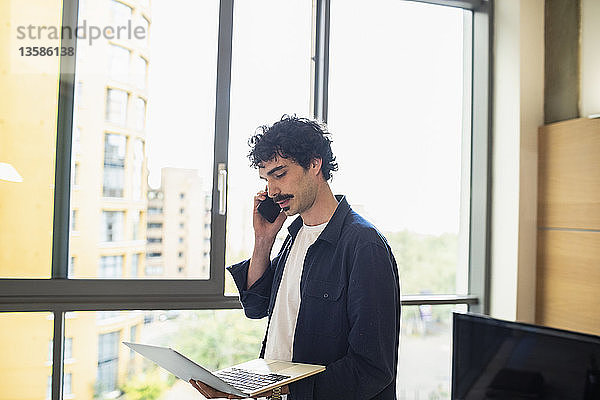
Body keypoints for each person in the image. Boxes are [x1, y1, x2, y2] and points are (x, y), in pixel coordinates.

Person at [190, 115, 401, 399]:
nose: (272, 190)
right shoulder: (296, 235)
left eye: (279, 174)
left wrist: (280, 386)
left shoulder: (364, 245)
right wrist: (264, 239)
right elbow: (255, 305)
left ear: (315, 164)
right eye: (266, 180)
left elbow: (373, 368)